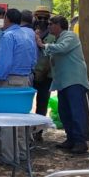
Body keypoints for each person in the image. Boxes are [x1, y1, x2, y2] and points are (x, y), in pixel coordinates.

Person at [37, 15, 89, 154]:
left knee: (76, 111)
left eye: (50, 24)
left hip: (74, 81)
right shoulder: (58, 38)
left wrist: (43, 45)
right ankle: (71, 139)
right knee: (64, 111)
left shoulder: (70, 36)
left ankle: (80, 142)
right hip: (63, 82)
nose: (48, 26)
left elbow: (62, 48)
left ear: (58, 25)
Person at [0, 8, 40, 164]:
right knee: (21, 120)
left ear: (7, 19)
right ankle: (21, 153)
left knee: (7, 121)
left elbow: (5, 62)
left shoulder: (9, 36)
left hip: (10, 80)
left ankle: (8, 157)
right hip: (25, 80)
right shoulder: (28, 35)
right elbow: (34, 59)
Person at [31, 7, 56, 141]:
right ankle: (26, 130)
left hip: (47, 75)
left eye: (45, 18)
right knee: (27, 103)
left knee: (42, 103)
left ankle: (38, 132)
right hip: (31, 74)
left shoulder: (53, 35)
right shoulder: (29, 32)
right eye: (39, 18)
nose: (42, 20)